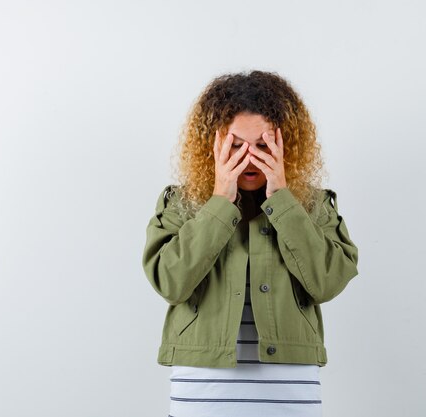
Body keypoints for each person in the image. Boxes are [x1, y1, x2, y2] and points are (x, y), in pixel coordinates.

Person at [141, 70, 359, 417]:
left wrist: (283, 200)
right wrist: (219, 202)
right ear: (213, 145)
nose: (250, 158)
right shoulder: (181, 204)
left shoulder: (312, 207)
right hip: (203, 386)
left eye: (263, 145)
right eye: (236, 145)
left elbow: (329, 281)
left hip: (290, 388)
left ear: (286, 145)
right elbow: (170, 282)